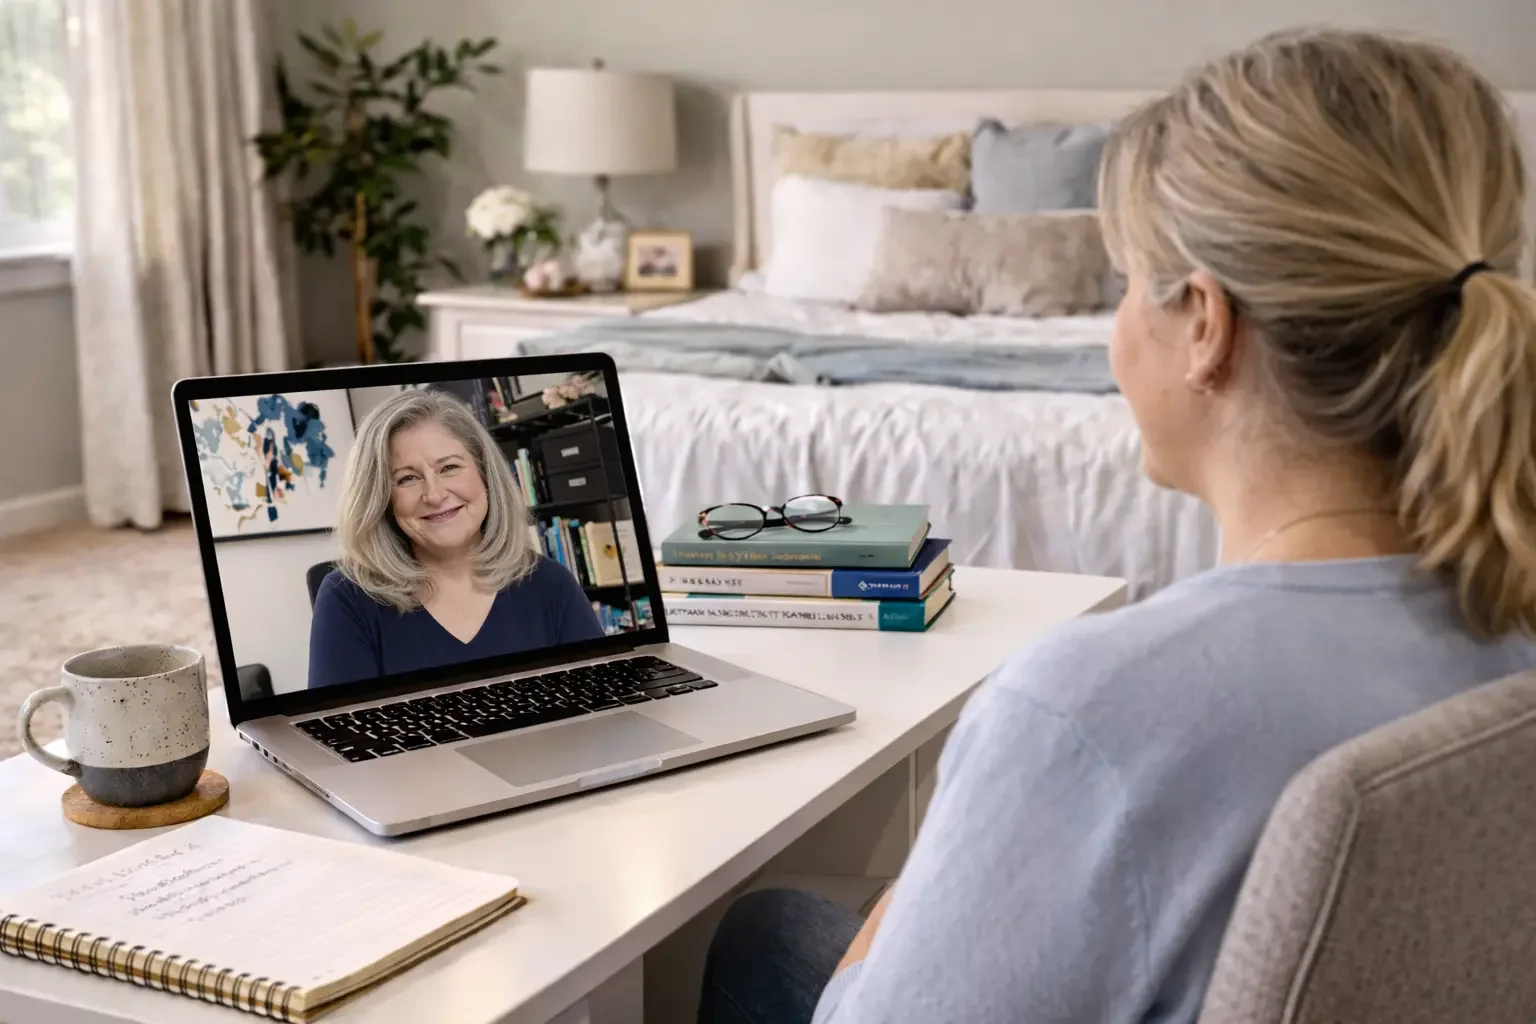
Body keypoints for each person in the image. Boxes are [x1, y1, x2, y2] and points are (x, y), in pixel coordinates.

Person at [695, 28, 1536, 1024]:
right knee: (778, 923)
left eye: (1129, 279)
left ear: (1209, 329)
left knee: (767, 939)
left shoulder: (1090, 713)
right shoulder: (1505, 614)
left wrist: (943, 866)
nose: (1118, 326)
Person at [307, 388, 603, 689]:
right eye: (407, 478)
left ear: (485, 475)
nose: (434, 495)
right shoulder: (347, 599)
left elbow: (602, 712)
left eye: (449, 467)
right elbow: (339, 731)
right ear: (381, 498)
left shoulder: (551, 585)